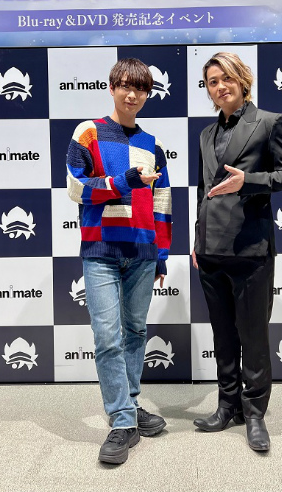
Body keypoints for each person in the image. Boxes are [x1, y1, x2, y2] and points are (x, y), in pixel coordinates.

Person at [192, 52, 282, 452]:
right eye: (212, 82)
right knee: (223, 335)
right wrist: (197, 240)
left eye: (226, 78)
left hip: (251, 249)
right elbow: (203, 191)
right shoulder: (205, 134)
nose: (220, 87)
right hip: (210, 251)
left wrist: (249, 181)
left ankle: (254, 414)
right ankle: (227, 406)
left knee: (253, 337)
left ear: (242, 80)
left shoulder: (269, 123)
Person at [66, 58, 172, 464]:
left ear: (147, 94)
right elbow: (76, 188)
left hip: (142, 254)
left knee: (135, 332)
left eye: (140, 88)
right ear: (112, 87)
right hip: (101, 252)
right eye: (125, 85)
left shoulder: (152, 144)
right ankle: (123, 421)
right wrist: (122, 181)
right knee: (108, 337)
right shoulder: (89, 132)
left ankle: (129, 405)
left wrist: (161, 255)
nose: (132, 94)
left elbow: (162, 203)